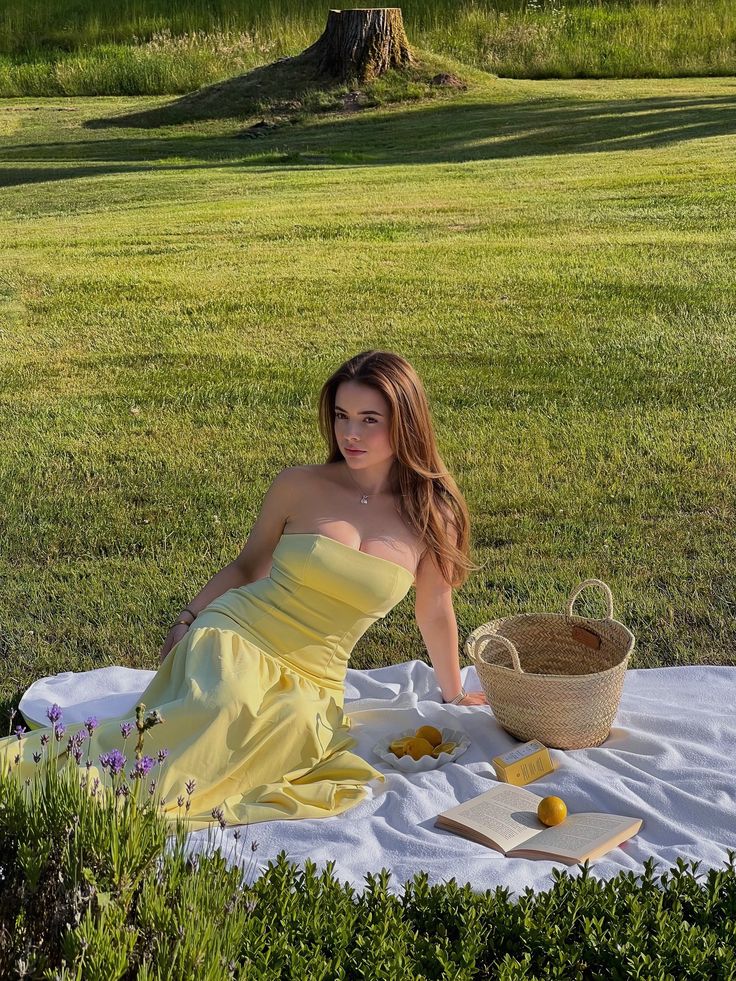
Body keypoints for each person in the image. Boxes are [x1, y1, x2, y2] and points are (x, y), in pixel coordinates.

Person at [2, 350, 488, 831]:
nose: (350, 434)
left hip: (316, 676)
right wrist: (189, 618)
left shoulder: (431, 514)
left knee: (291, 727)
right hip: (237, 631)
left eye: (369, 419)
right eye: (342, 416)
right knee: (224, 706)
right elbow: (248, 566)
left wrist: (453, 693)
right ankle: (91, 794)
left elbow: (434, 609)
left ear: (405, 422)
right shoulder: (299, 485)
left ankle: (119, 799)